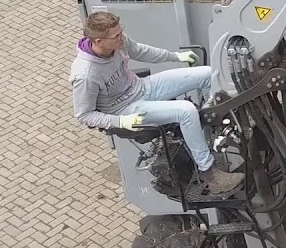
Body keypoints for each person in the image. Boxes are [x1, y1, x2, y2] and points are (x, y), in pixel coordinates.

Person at [70, 11, 244, 196]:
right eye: (116, 36)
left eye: (121, 32)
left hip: (143, 87)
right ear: (98, 41)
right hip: (126, 109)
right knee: (186, 111)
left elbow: (140, 51)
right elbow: (84, 115)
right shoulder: (85, 75)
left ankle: (217, 130)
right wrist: (120, 122)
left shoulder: (117, 43)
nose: (122, 38)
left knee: (209, 74)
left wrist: (175, 56)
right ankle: (209, 173)